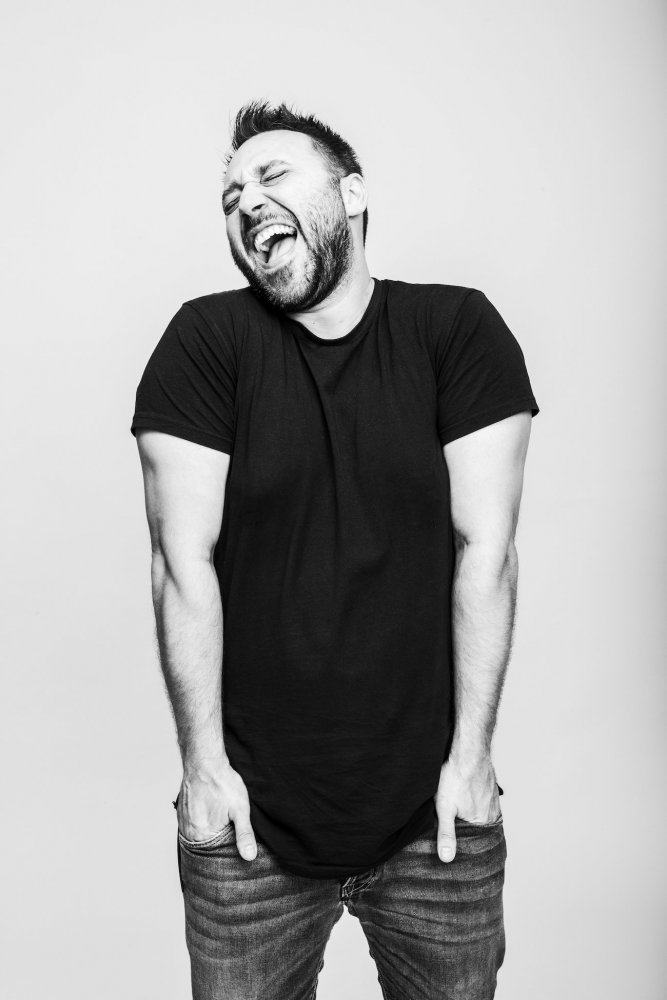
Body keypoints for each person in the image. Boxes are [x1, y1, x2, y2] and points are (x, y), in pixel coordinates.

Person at [130, 100, 539, 1000]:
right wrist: (202, 775)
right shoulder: (205, 342)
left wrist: (472, 763)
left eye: (272, 175)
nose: (246, 201)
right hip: (247, 831)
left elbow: (487, 549)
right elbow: (180, 564)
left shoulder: (455, 330)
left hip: (435, 820)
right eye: (231, 195)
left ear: (352, 194)